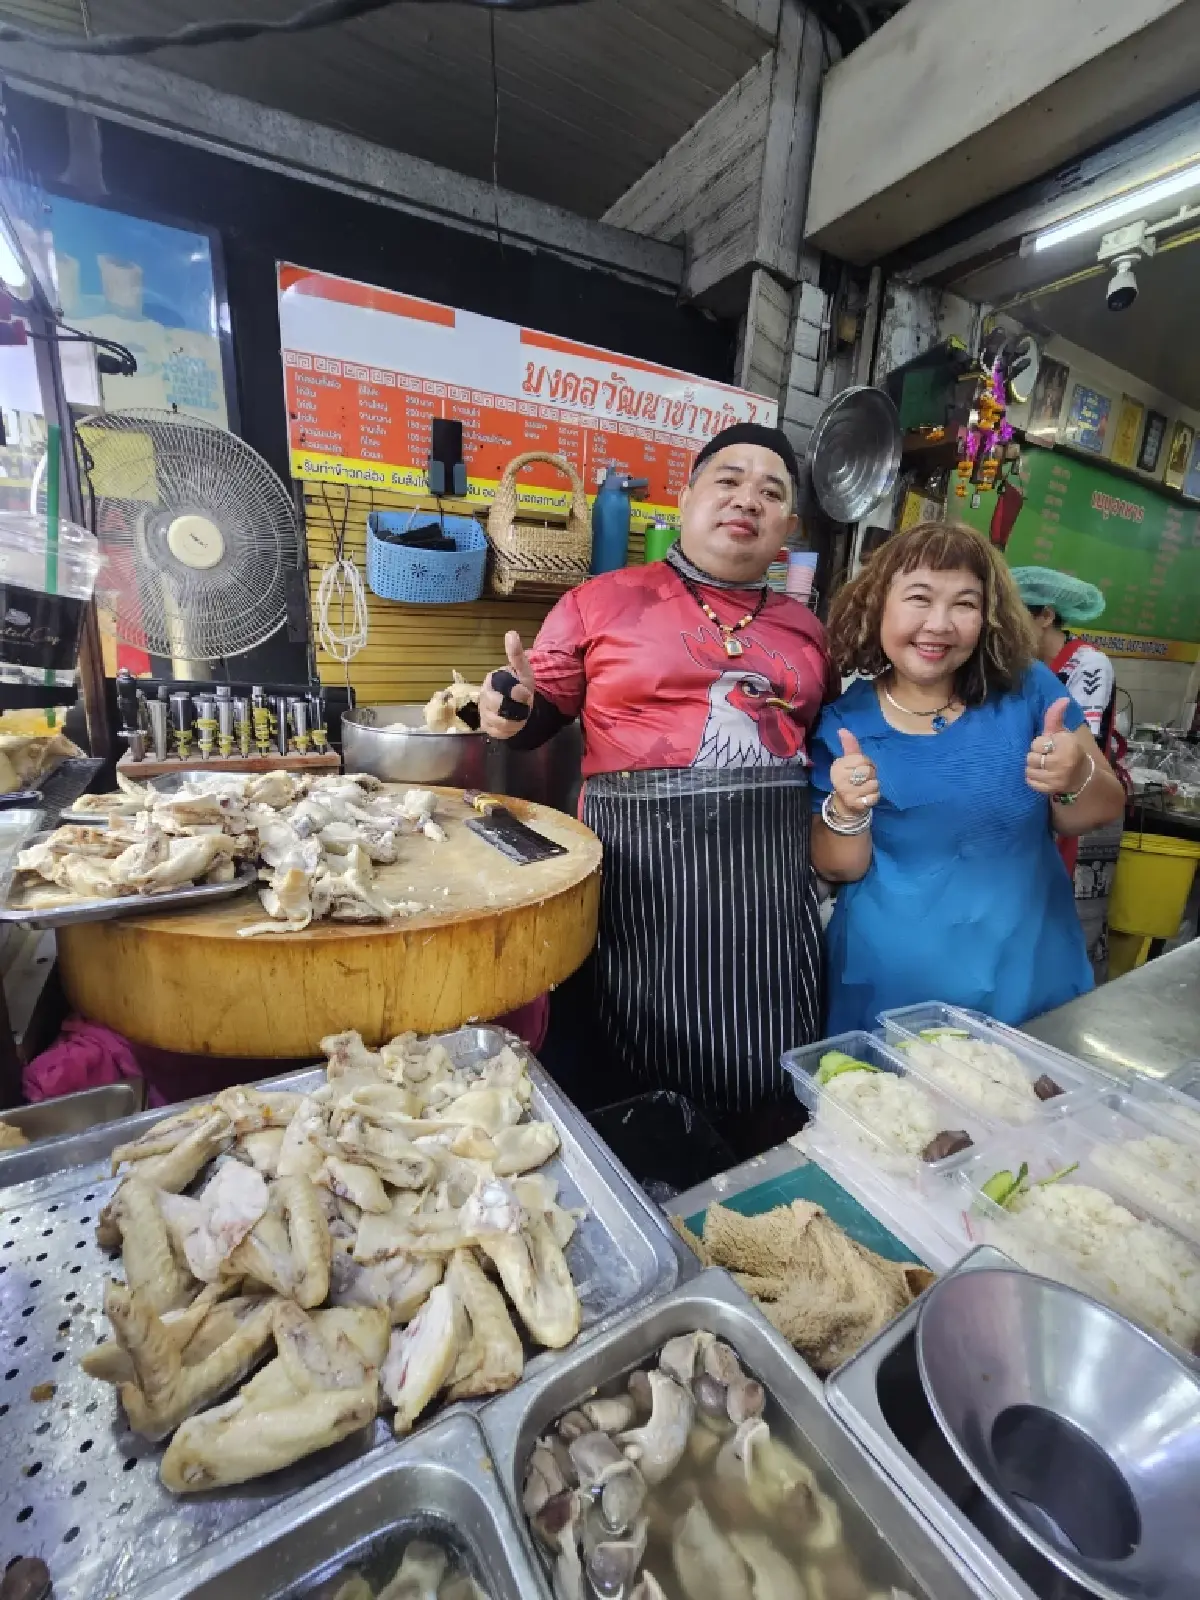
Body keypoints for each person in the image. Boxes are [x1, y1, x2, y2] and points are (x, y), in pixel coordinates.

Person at [477, 423, 836, 1155]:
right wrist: (505, 706)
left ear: (788, 528)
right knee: (626, 1106)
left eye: (772, 493)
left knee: (763, 1118)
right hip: (640, 901)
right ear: (687, 497)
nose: (748, 502)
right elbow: (534, 712)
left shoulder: (808, 629)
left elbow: (819, 749)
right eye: (729, 481)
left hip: (766, 910)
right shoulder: (599, 601)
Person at [809, 522, 1126, 1034]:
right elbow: (841, 867)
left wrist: (1073, 775)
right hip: (894, 986)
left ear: (988, 617)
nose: (939, 624)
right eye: (918, 597)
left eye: (964, 604)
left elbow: (1098, 810)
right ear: (878, 605)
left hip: (1026, 975)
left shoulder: (1028, 690)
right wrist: (846, 811)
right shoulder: (844, 724)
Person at [1012, 565, 1125, 980]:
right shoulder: (1020, 667)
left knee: (1077, 911)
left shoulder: (1088, 663)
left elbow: (1079, 745)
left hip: (1087, 795)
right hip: (1039, 795)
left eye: (1015, 612)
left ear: (1046, 615)